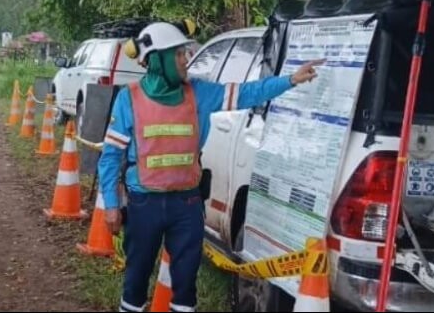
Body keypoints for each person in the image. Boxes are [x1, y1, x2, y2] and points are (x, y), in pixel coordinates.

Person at [99, 22, 322, 313]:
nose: (185, 60)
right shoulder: (129, 99)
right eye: (178, 54)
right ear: (158, 59)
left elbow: (247, 93)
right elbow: (111, 156)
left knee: (186, 285)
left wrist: (290, 80)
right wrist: (112, 205)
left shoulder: (199, 93)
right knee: (136, 279)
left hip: (187, 204)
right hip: (144, 205)